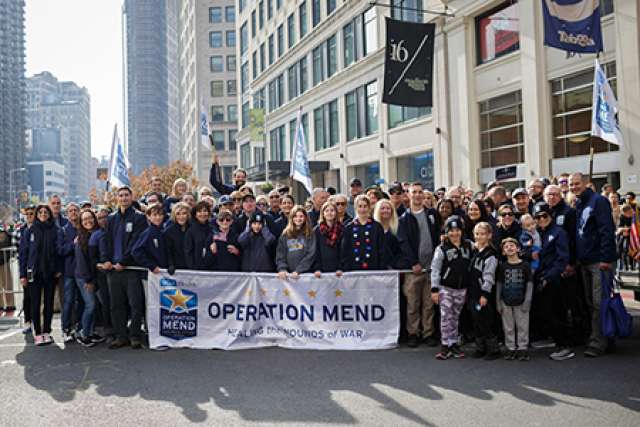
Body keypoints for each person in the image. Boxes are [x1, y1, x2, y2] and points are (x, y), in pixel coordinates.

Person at [570, 172, 617, 358]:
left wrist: (606, 258)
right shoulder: (580, 202)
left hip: (599, 261)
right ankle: (605, 336)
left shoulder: (599, 201)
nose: (574, 187)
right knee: (591, 303)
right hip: (585, 261)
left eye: (577, 184)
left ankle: (598, 342)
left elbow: (606, 230)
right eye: (571, 184)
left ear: (586, 183)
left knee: (599, 303)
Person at [102, 186, 148, 350]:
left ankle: (135, 336)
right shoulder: (111, 218)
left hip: (131, 269)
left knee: (135, 304)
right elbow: (105, 241)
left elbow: (137, 243)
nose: (123, 198)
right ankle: (121, 336)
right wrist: (106, 260)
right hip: (113, 270)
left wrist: (124, 262)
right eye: (120, 195)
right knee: (116, 305)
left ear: (131, 196)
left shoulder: (139, 218)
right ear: (117, 198)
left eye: (126, 195)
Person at [398, 182, 439, 347]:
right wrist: (413, 262)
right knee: (413, 304)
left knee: (429, 304)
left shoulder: (432, 214)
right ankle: (413, 333)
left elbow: (436, 237)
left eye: (420, 192)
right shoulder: (404, 218)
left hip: (430, 268)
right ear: (408, 195)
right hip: (413, 269)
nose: (417, 195)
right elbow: (403, 242)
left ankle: (428, 333)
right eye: (414, 192)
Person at [531, 202, 572, 361]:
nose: (541, 219)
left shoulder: (559, 232)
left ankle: (565, 346)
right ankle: (553, 339)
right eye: (538, 217)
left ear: (551, 216)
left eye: (544, 216)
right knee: (545, 312)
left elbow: (562, 259)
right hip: (540, 277)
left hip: (553, 279)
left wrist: (549, 277)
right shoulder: (537, 234)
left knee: (557, 312)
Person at [430, 216, 473, 360]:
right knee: (445, 316)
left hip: (462, 289)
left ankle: (453, 342)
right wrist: (434, 289)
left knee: (455, 316)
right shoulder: (441, 248)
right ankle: (445, 344)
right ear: (446, 232)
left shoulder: (468, 245)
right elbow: (435, 269)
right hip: (446, 288)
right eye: (451, 231)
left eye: (457, 230)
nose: (455, 234)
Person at [19, 205, 60, 346]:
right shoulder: (30, 231)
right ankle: (37, 333)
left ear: (49, 214)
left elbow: (57, 251)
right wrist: (22, 275)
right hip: (34, 273)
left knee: (48, 304)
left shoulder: (55, 230)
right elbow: (23, 254)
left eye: (45, 212)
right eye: (40, 212)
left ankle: (47, 332)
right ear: (37, 214)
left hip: (50, 273)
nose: (43, 214)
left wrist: (58, 268)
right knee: (35, 304)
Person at [496, 238, 533, 361]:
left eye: (512, 245)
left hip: (521, 301)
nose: (509, 248)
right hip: (506, 302)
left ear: (518, 249)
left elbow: (529, 284)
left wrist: (528, 300)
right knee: (508, 326)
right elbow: (499, 284)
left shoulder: (525, 265)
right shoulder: (502, 266)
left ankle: (522, 348)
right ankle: (510, 348)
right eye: (506, 247)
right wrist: (498, 302)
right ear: (503, 252)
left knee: (522, 326)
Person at [468, 222, 500, 360]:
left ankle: (493, 349)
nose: (479, 237)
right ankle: (480, 347)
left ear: (489, 236)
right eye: (477, 234)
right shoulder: (475, 251)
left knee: (485, 321)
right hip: (472, 293)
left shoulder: (490, 255)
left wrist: (485, 294)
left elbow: (489, 276)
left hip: (483, 294)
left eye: (482, 234)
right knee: (476, 321)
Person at [73, 209, 103, 347]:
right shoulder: (81, 238)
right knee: (90, 305)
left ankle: (90, 332)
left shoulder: (97, 233)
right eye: (84, 220)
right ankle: (83, 334)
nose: (88, 221)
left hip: (93, 276)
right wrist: (88, 281)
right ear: (81, 222)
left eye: (90, 218)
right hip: (83, 277)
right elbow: (82, 263)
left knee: (94, 305)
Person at [340, 195, 385, 271]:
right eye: (360, 206)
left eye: (365, 206)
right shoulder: (349, 227)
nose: (362, 209)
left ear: (369, 208)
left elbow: (382, 249)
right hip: (354, 270)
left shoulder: (377, 227)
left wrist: (381, 268)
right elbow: (345, 251)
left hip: (373, 269)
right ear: (355, 208)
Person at [57, 202, 80, 343]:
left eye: (75, 210)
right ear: (67, 214)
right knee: (68, 301)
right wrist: (73, 244)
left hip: (84, 272)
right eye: (70, 211)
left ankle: (80, 327)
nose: (73, 213)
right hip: (69, 272)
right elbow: (60, 250)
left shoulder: (84, 227)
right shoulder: (63, 230)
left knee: (83, 301)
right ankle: (66, 328)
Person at [91, 207, 113, 341]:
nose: (103, 220)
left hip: (117, 271)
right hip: (102, 274)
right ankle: (108, 330)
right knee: (106, 302)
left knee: (117, 303)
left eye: (106, 216)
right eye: (99, 218)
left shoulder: (115, 232)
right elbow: (92, 258)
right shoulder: (95, 235)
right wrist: (100, 265)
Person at [276, 206, 316, 279]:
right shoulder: (285, 234)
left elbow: (311, 254)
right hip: (288, 275)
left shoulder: (310, 234)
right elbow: (280, 254)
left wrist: (299, 270)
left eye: (301, 216)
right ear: (291, 218)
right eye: (295, 216)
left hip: (305, 275)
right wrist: (282, 269)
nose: (298, 219)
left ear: (305, 218)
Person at [132, 203, 169, 274]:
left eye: (160, 215)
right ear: (148, 216)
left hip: (164, 272)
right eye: (154, 215)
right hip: (152, 274)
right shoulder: (147, 233)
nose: (158, 217)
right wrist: (151, 266)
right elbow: (136, 251)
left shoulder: (164, 231)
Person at [17, 205, 36, 333]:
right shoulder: (22, 230)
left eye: (31, 213)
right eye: (27, 214)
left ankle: (36, 322)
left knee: (38, 297)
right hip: (27, 269)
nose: (29, 216)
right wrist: (22, 275)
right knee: (27, 297)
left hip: (39, 269)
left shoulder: (40, 228)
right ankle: (28, 321)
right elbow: (21, 254)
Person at [313, 201, 343, 276]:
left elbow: (343, 250)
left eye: (332, 210)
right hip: (321, 270)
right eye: (327, 211)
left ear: (336, 213)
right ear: (323, 213)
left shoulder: (342, 229)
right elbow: (315, 251)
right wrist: (317, 268)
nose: (329, 213)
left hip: (338, 270)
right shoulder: (317, 230)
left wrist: (340, 268)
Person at [373, 199, 404, 269]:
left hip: (394, 270)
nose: (385, 211)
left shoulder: (398, 228)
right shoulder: (373, 229)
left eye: (388, 208)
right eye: (382, 208)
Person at [184, 201, 214, 270]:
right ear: (195, 214)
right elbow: (188, 252)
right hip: (196, 269)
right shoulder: (190, 231)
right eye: (199, 211)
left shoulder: (212, 228)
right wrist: (193, 268)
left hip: (211, 268)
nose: (202, 214)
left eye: (205, 211)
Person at [164, 202, 191, 274]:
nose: (181, 216)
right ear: (174, 215)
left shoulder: (193, 228)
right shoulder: (168, 231)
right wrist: (171, 264)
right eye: (178, 214)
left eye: (184, 213)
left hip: (192, 267)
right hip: (177, 269)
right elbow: (168, 251)